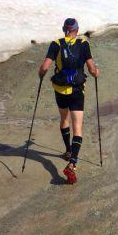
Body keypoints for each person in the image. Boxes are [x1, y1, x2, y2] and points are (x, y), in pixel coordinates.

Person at [38, 18, 99, 183]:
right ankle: (73, 163)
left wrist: (41, 75)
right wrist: (95, 73)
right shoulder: (83, 44)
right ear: (76, 30)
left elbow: (44, 67)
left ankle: (68, 151)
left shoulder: (56, 44)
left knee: (64, 119)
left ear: (64, 29)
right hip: (77, 90)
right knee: (77, 126)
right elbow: (92, 69)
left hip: (60, 89)